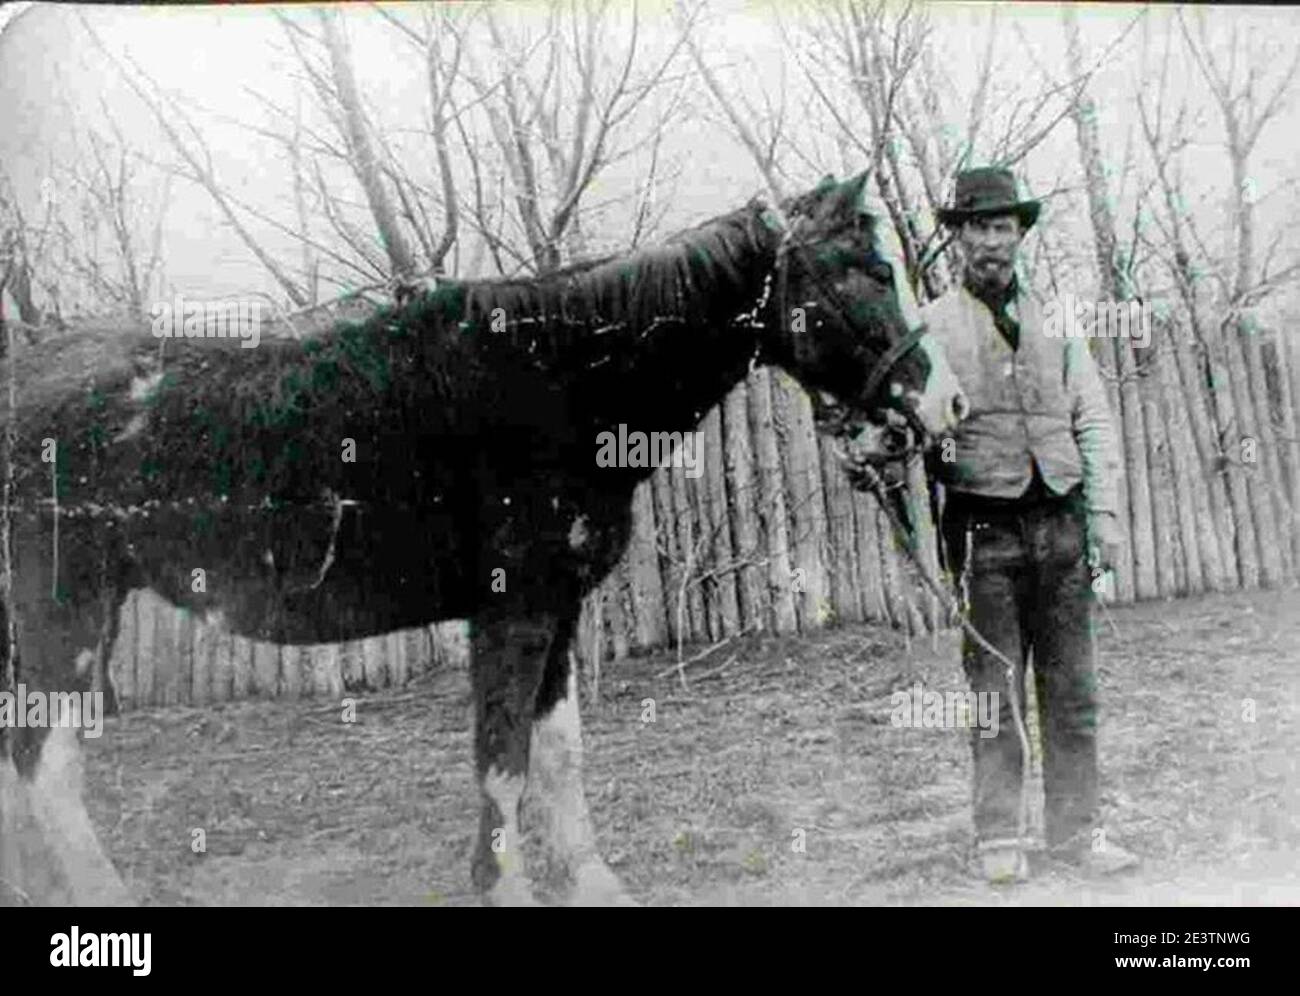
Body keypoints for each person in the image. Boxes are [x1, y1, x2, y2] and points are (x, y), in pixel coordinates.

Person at [922, 166, 1138, 883]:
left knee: (1073, 690)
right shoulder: (930, 326)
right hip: (984, 533)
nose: (993, 241)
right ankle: (1000, 838)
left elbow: (1093, 419)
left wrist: (1103, 514)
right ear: (958, 237)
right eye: (979, 227)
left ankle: (1078, 833)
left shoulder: (1061, 320)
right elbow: (915, 433)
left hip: (1063, 525)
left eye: (1004, 227)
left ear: (1020, 236)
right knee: (994, 688)